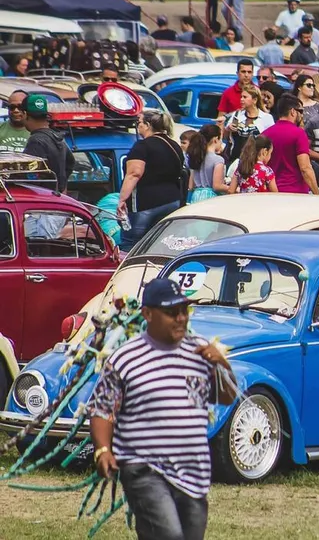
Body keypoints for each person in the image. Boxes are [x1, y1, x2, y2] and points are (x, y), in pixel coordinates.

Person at [89, 278, 235, 540]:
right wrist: (103, 450)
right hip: (144, 468)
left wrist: (222, 365)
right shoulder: (125, 358)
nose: (180, 318)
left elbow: (227, 397)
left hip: (193, 471)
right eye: (171, 312)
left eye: (184, 310)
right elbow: (102, 409)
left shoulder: (200, 352)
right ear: (147, 314)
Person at [117, 109, 184, 251]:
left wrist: (122, 200)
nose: (138, 126)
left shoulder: (143, 146)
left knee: (131, 244)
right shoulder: (174, 145)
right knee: (162, 243)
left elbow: (134, 173)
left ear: (147, 125)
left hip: (145, 203)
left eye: (139, 122)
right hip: (172, 200)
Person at [262, 94, 319, 195]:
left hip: (271, 192)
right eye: (300, 111)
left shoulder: (265, 134)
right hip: (295, 193)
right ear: (293, 111)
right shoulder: (299, 133)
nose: (302, 115)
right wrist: (317, 194)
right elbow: (305, 168)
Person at [22, 95, 74, 193]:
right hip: (57, 197)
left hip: (42, 197)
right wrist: (61, 185)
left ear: (25, 114)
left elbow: (31, 176)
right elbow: (70, 163)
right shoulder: (57, 137)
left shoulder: (36, 141)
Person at [223, 83, 274, 162]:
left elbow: (271, 142)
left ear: (255, 100)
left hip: (254, 161)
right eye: (241, 97)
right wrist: (228, 129)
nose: (241, 99)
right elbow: (225, 137)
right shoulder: (237, 115)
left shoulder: (266, 118)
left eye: (245, 97)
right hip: (235, 160)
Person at [186, 124, 233, 203]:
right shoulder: (218, 160)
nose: (221, 142)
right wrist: (232, 188)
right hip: (210, 199)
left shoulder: (196, 156)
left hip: (195, 197)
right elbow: (217, 186)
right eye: (221, 139)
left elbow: (191, 186)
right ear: (215, 139)